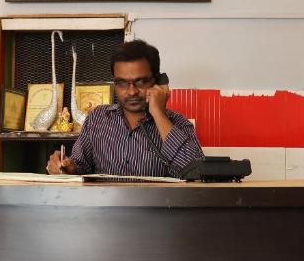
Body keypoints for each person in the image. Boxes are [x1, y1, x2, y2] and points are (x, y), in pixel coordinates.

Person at [47, 39, 203, 177]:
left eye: (141, 81)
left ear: (157, 82)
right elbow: (80, 166)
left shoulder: (178, 123)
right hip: (106, 209)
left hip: (159, 209)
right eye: (122, 83)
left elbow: (197, 172)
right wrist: (66, 167)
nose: (131, 91)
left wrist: (158, 114)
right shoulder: (97, 119)